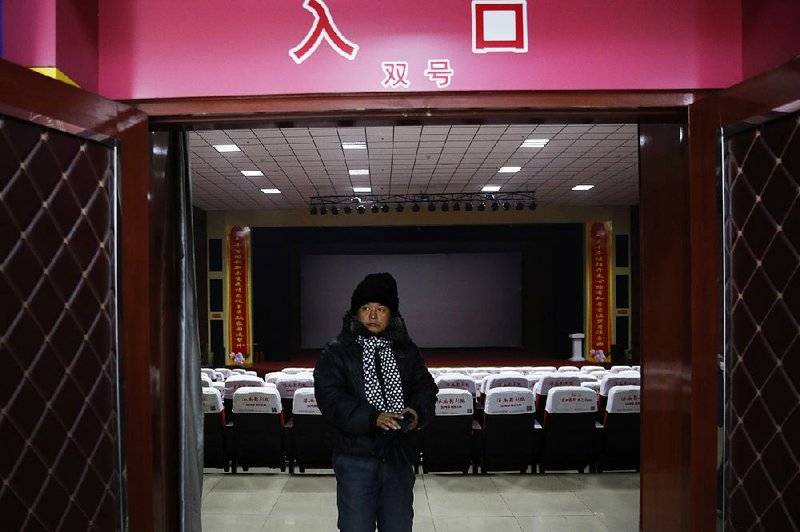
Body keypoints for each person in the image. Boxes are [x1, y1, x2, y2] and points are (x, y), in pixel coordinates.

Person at [314, 272, 438, 532]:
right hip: (355, 457)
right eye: (366, 308)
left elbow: (425, 388)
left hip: (398, 456)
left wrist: (415, 413)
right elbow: (331, 398)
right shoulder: (336, 351)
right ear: (355, 312)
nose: (372, 316)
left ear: (390, 315)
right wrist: (373, 418)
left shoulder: (407, 350)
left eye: (380, 309)